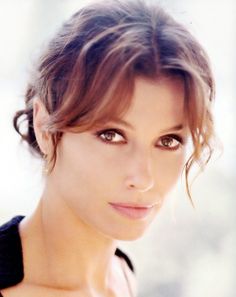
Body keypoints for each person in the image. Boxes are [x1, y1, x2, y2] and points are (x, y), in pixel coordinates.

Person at [0, 0, 215, 296]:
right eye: (111, 135)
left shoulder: (121, 274)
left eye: (168, 141)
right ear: (45, 128)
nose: (144, 178)